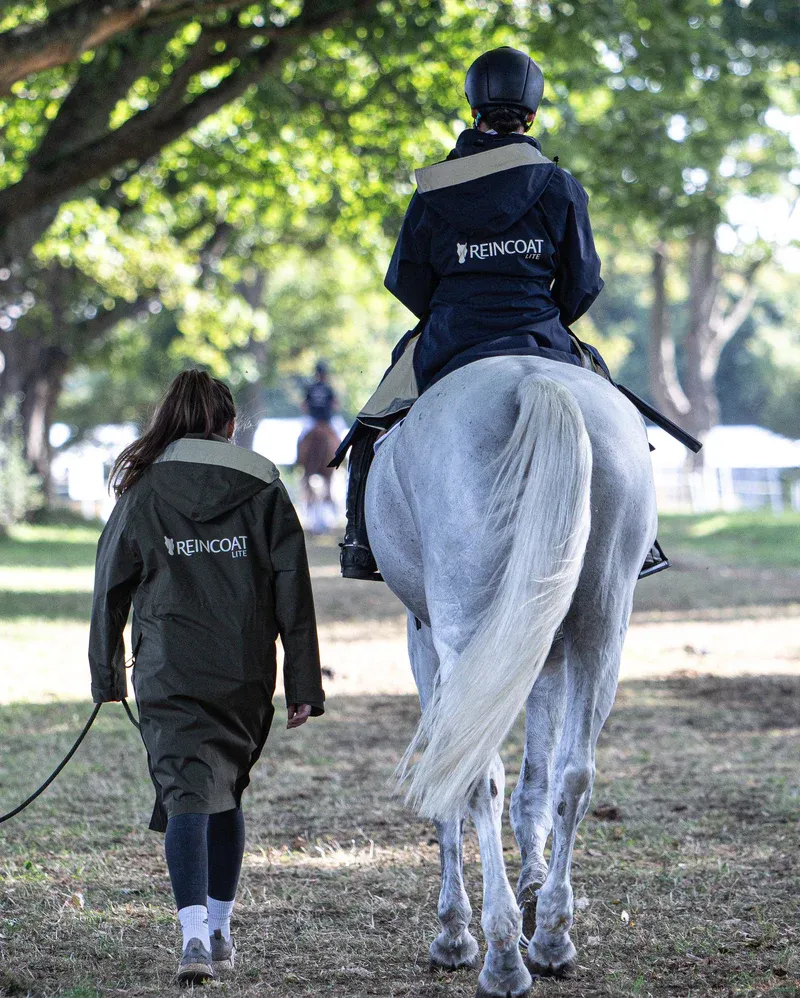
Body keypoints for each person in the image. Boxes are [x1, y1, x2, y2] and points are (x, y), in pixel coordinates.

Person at [339, 46, 669, 581]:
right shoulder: (559, 186)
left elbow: (403, 278)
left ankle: (362, 543)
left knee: (372, 427)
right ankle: (644, 540)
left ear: (474, 111)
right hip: (540, 333)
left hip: (451, 335)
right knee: (620, 423)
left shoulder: (433, 188)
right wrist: (542, 311)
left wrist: (449, 310)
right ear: (532, 116)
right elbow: (584, 281)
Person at [88, 370, 325, 984]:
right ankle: (218, 928)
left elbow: (109, 587)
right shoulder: (264, 483)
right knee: (223, 789)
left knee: (187, 791)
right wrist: (303, 685)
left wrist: (106, 675)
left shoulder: (143, 488)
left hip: (171, 669)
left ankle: (194, 935)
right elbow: (293, 590)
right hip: (246, 673)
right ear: (227, 426)